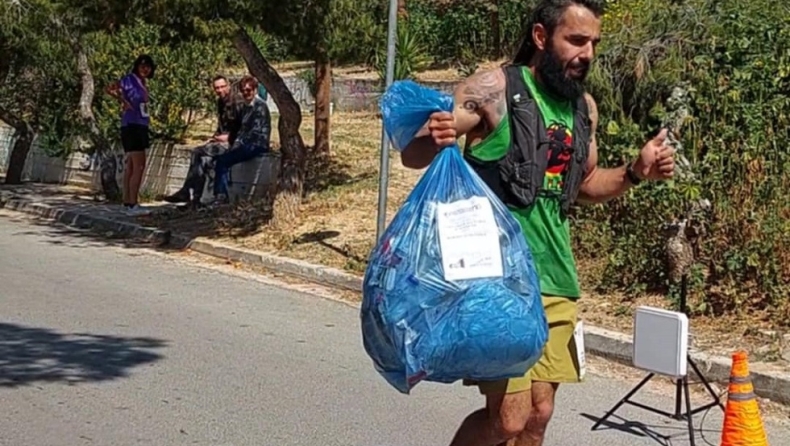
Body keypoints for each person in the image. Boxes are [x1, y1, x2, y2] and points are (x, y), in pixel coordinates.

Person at [399, 1, 676, 445]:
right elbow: (414, 154)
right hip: (499, 281)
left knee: (539, 415)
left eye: (594, 44)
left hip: (556, 277)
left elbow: (584, 183)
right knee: (508, 419)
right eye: (576, 40)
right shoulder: (493, 89)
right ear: (541, 37)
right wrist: (432, 138)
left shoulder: (583, 108)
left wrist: (635, 172)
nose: (586, 53)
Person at [163, 75, 242, 205]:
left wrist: (228, 137)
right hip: (221, 142)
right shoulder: (221, 102)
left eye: (222, 87)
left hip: (233, 142)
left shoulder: (238, 102)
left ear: (228, 86)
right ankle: (196, 199)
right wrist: (214, 138)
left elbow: (243, 127)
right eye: (217, 88)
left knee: (197, 152)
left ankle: (187, 192)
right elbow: (221, 126)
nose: (220, 90)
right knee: (203, 159)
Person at [106, 54, 156, 215]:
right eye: (142, 66)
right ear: (137, 66)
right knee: (139, 166)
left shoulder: (142, 82)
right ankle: (133, 203)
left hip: (139, 124)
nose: (145, 69)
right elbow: (110, 88)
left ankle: (127, 201)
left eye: (148, 66)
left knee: (131, 166)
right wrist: (122, 101)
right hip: (133, 125)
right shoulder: (130, 79)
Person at [210, 75, 272, 204]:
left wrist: (238, 143)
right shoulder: (246, 106)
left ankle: (221, 196)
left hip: (257, 145)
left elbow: (255, 132)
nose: (245, 93)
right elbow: (240, 129)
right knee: (219, 157)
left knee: (223, 161)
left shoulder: (259, 106)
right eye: (243, 90)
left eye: (248, 90)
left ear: (255, 90)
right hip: (247, 144)